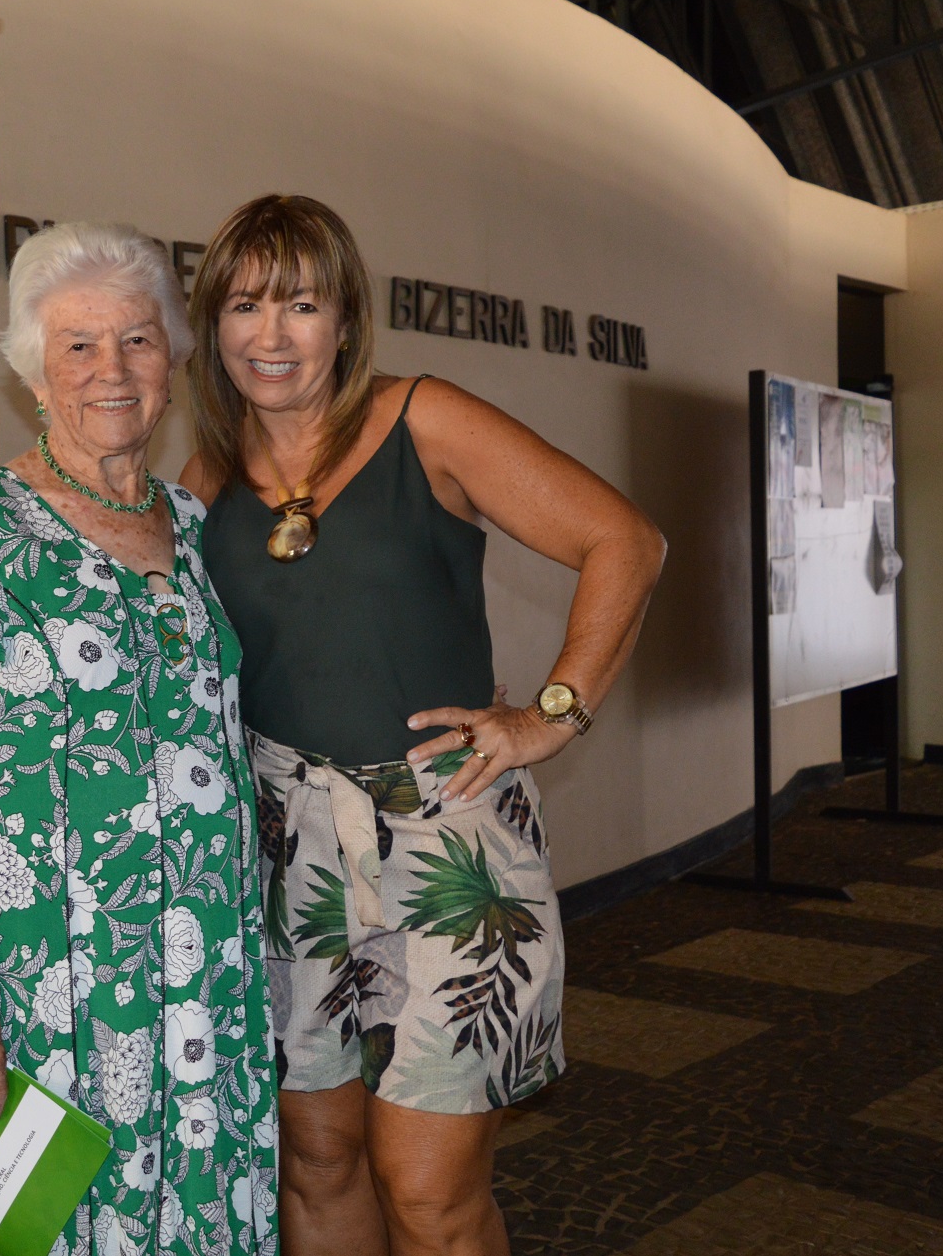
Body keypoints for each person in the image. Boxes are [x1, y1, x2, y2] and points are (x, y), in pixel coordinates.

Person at [178, 195, 665, 1256]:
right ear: (210, 325)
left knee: (427, 1190)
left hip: (447, 844)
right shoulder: (206, 476)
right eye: (244, 306)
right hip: (283, 854)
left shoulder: (422, 418)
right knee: (314, 1165)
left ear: (345, 321)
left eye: (299, 305)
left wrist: (549, 715)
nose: (270, 336)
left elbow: (620, 540)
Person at [0, 221, 279, 1256]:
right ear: (32, 373)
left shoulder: (195, 529)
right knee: (40, 1225)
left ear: (173, 362)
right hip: (46, 986)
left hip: (202, 981)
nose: (112, 370)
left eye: (138, 341)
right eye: (77, 346)